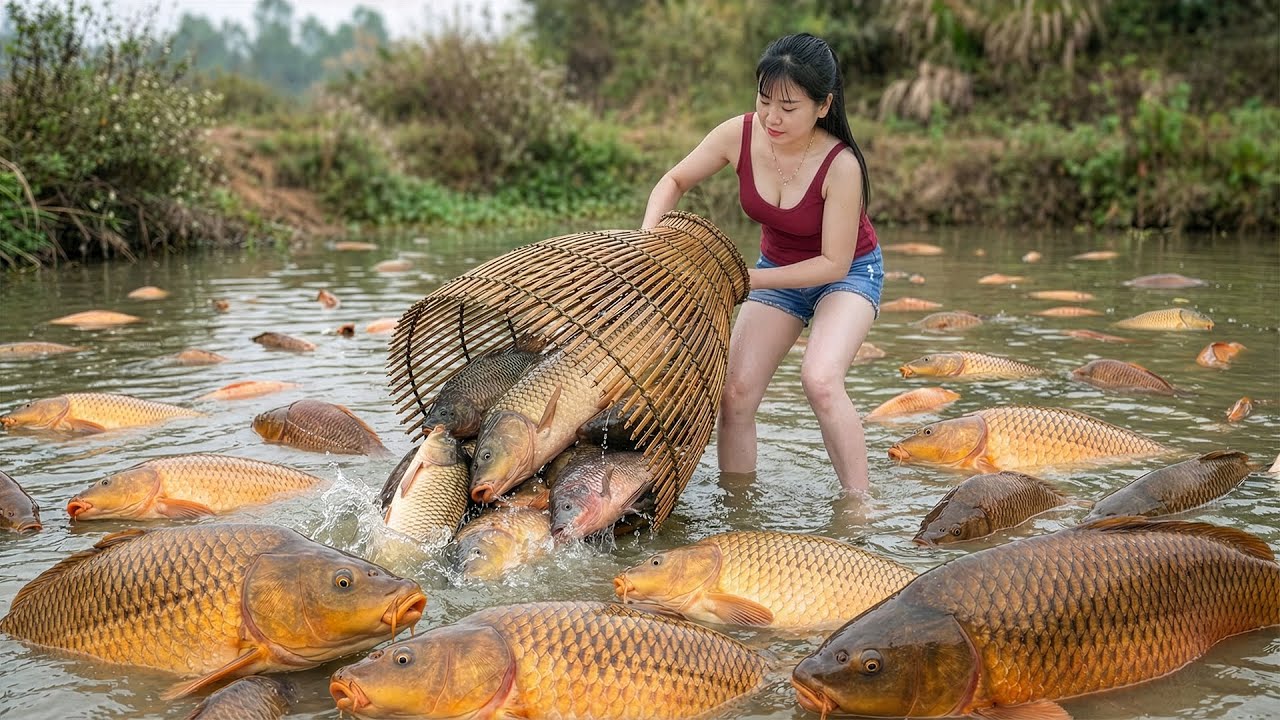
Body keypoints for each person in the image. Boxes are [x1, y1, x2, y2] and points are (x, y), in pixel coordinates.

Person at [641, 33, 883, 494]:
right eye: (764, 99)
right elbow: (672, 180)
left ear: (823, 105)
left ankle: (859, 507)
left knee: (820, 380)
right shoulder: (739, 134)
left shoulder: (841, 165)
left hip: (849, 272)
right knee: (733, 396)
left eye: (789, 106)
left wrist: (743, 278)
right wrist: (648, 240)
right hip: (776, 269)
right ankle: (740, 512)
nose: (772, 116)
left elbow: (833, 263)